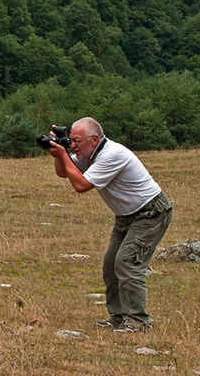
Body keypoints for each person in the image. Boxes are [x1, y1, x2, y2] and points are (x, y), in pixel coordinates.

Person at [44, 117, 173, 333]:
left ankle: (138, 322)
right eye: (70, 141)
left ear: (94, 139)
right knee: (111, 263)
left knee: (127, 262)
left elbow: (81, 185)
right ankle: (119, 317)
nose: (73, 145)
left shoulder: (112, 154)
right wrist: (58, 152)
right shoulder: (89, 153)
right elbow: (63, 172)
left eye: (77, 141)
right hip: (125, 216)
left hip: (150, 212)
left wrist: (63, 154)